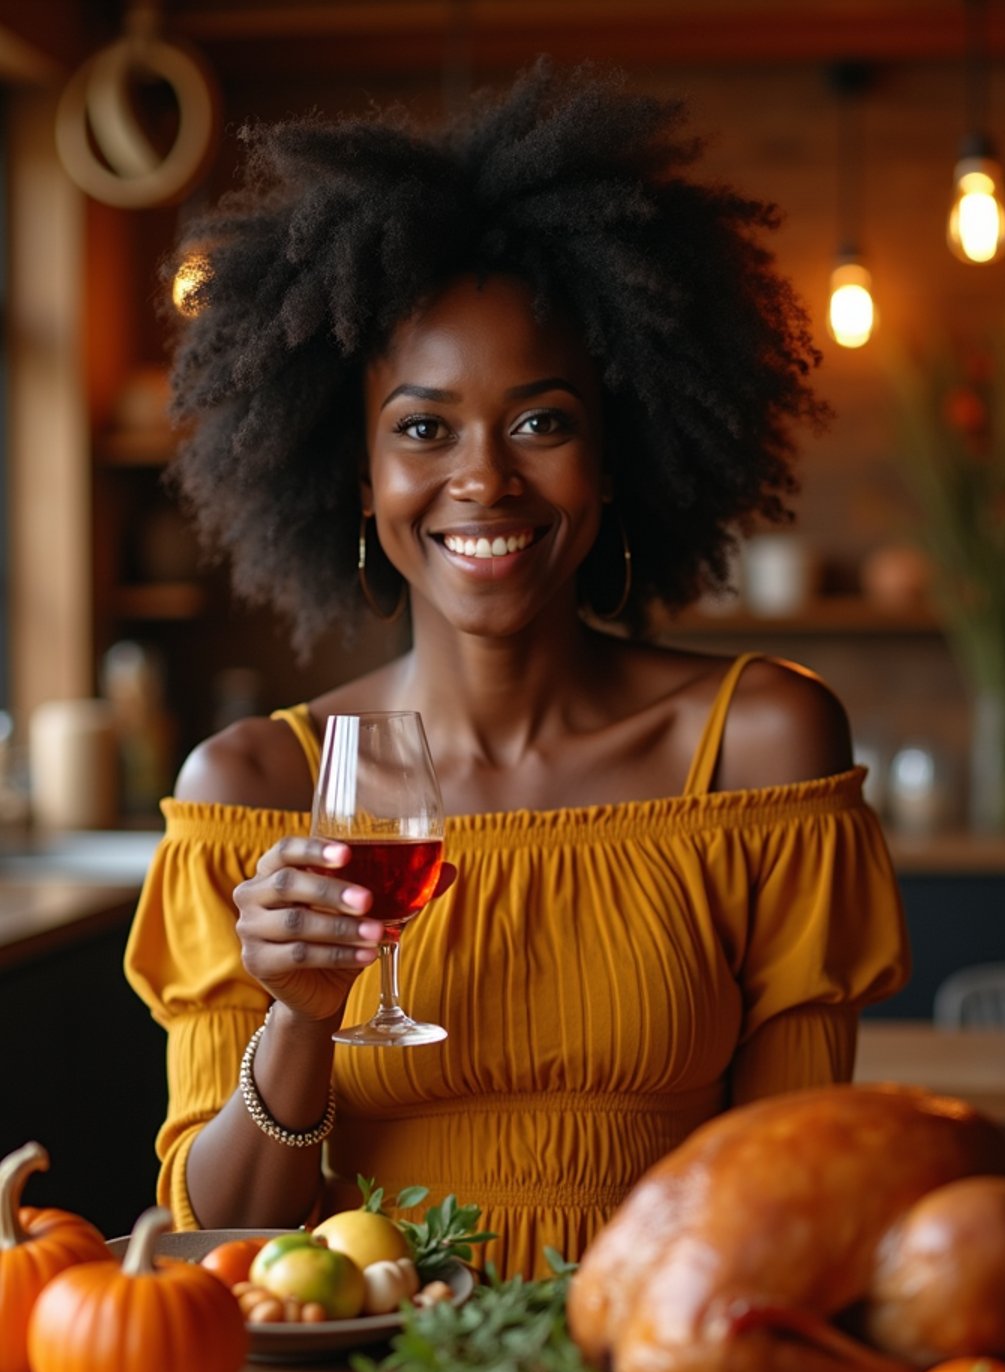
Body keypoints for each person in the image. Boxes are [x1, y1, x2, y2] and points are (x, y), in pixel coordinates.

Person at [124, 60, 910, 1279]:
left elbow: (791, 1183)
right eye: (422, 429)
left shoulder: (758, 748)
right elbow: (223, 1242)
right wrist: (300, 1016)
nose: (482, 480)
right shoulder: (255, 784)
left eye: (541, 421)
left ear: (619, 453)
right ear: (356, 472)